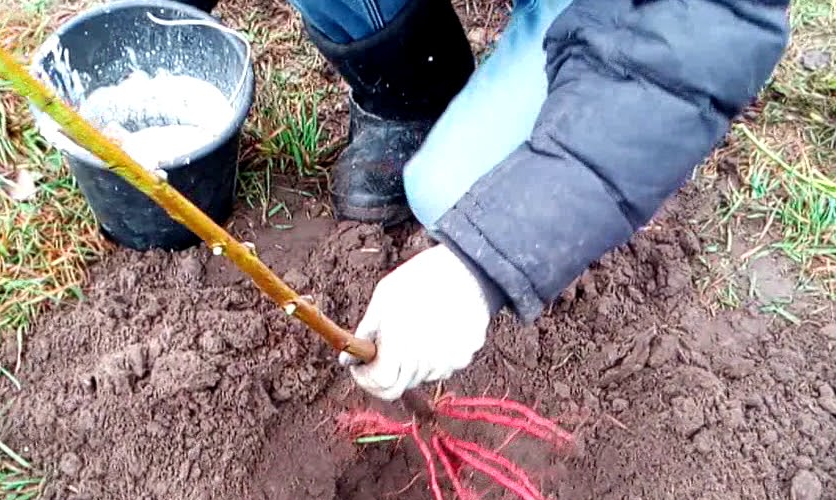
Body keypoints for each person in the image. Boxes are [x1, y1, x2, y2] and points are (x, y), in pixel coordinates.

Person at [189, 0, 791, 401]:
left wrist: (482, 265)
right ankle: (409, 90)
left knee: (451, 192)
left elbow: (699, 33)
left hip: (635, 18)